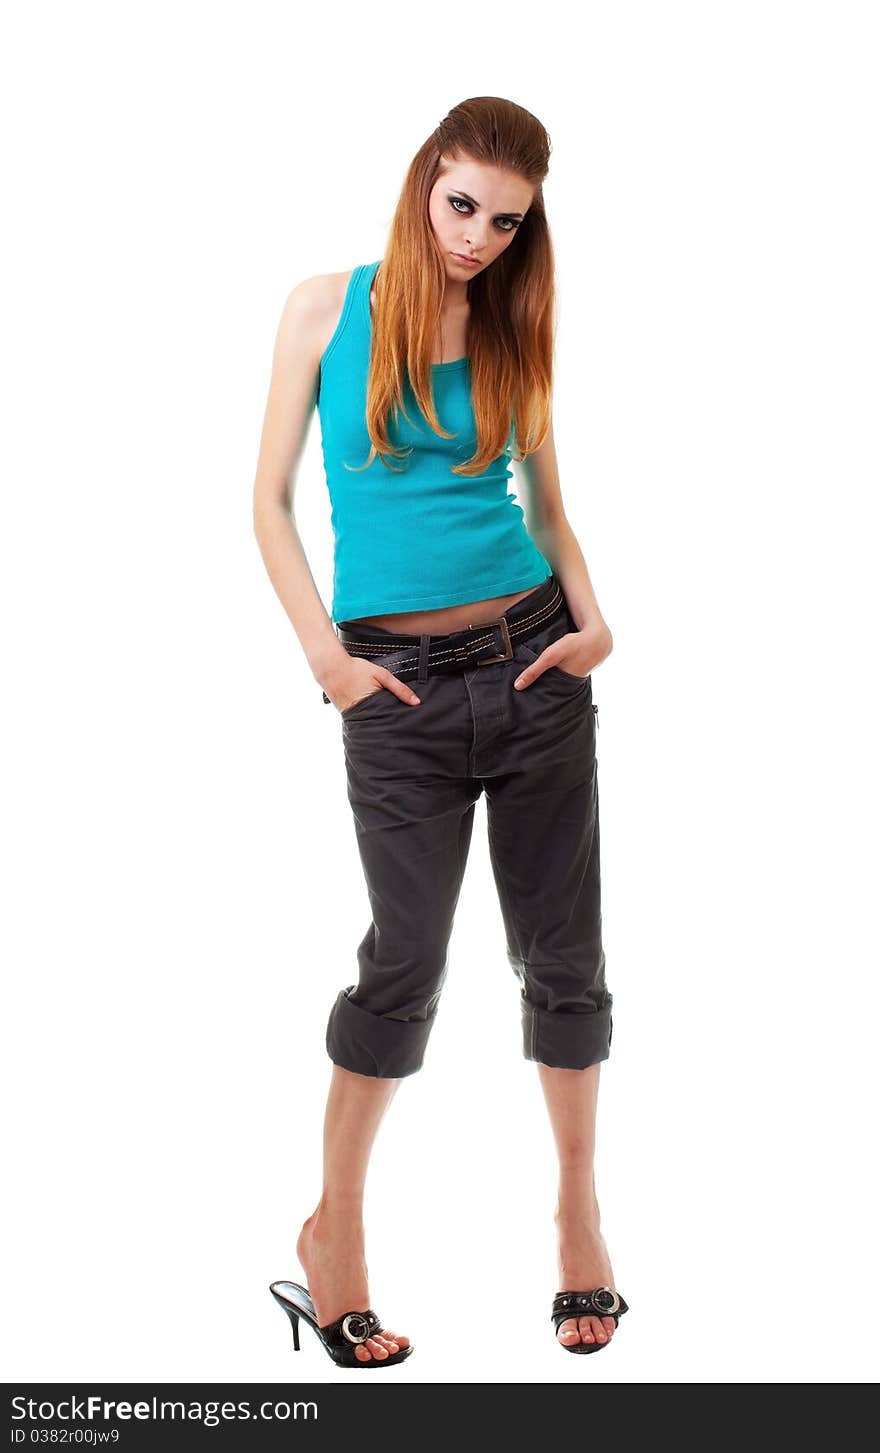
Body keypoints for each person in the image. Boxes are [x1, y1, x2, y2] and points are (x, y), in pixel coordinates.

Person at [254, 96, 629, 1369]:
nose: (475, 236)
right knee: (403, 964)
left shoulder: (518, 324)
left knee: (562, 959)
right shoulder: (324, 305)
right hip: (396, 694)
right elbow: (265, 501)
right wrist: (330, 660)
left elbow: (553, 507)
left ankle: (578, 1220)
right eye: (461, 202)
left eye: (504, 220)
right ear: (427, 183)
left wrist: (594, 628)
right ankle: (335, 1235)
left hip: (534, 668)